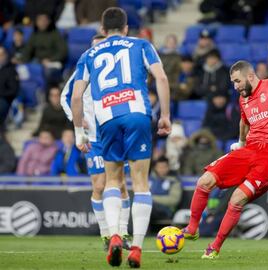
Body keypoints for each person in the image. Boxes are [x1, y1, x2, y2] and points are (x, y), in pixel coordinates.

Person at [181, 60, 268, 258]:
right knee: (204, 181)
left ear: (250, 76)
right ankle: (192, 229)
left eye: (237, 81)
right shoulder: (244, 98)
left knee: (237, 198)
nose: (235, 87)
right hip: (250, 149)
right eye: (233, 82)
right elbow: (244, 121)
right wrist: (241, 142)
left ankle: (215, 247)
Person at [71, 7, 171, 267]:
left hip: (107, 119)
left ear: (103, 31)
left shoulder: (89, 54)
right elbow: (161, 77)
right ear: (126, 28)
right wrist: (166, 115)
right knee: (140, 183)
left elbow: (76, 96)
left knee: (113, 180)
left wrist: (80, 132)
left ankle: (114, 234)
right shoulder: (141, 44)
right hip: (137, 113)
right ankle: (136, 247)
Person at [61, 34, 131, 250]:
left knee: (119, 184)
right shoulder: (82, 70)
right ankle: (106, 235)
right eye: (93, 47)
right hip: (93, 139)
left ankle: (123, 233)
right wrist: (77, 120)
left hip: (116, 134)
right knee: (99, 185)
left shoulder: (117, 72)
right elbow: (65, 97)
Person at [18, 13, 68, 85]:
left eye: (44, 20)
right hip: (38, 61)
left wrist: (51, 59)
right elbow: (28, 49)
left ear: (49, 21)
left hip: (52, 63)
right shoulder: (35, 34)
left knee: (48, 73)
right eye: (40, 20)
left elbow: (63, 51)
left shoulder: (55, 33)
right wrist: (22, 60)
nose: (42, 22)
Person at [150, 156, 183, 221]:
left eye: (164, 167)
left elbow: (174, 200)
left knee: (147, 207)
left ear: (168, 167)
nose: (161, 169)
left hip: (167, 210)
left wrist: (151, 198)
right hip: (152, 208)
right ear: (155, 168)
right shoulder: (150, 180)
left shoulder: (174, 181)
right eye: (159, 167)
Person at [0, 46, 19, 132]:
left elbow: (14, 90)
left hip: (4, 99)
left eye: (1, 55)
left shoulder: (11, 70)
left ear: (6, 56)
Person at [159, 34, 181, 101]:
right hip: (160, 81)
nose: (171, 44)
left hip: (172, 82)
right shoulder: (159, 55)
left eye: (173, 42)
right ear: (165, 43)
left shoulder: (178, 56)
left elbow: (176, 71)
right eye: (169, 42)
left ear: (176, 44)